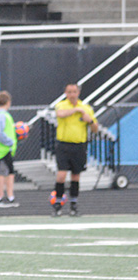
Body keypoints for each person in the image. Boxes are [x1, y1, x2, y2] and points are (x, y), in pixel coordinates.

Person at [52, 83, 98, 217]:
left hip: (79, 146)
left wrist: (89, 121)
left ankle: (73, 205)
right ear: (66, 93)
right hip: (63, 145)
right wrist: (77, 111)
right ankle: (57, 205)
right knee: (61, 175)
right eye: (69, 92)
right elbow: (60, 114)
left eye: (74, 92)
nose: (72, 94)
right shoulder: (62, 105)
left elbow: (95, 128)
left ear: (78, 93)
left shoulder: (87, 108)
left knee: (76, 176)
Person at [0, 90, 19, 208]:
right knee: (2, 174)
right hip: (3, 150)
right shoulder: (2, 115)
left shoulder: (2, 115)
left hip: (4, 150)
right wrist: (9, 142)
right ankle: (2, 198)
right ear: (8, 102)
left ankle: (9, 197)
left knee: (9, 173)